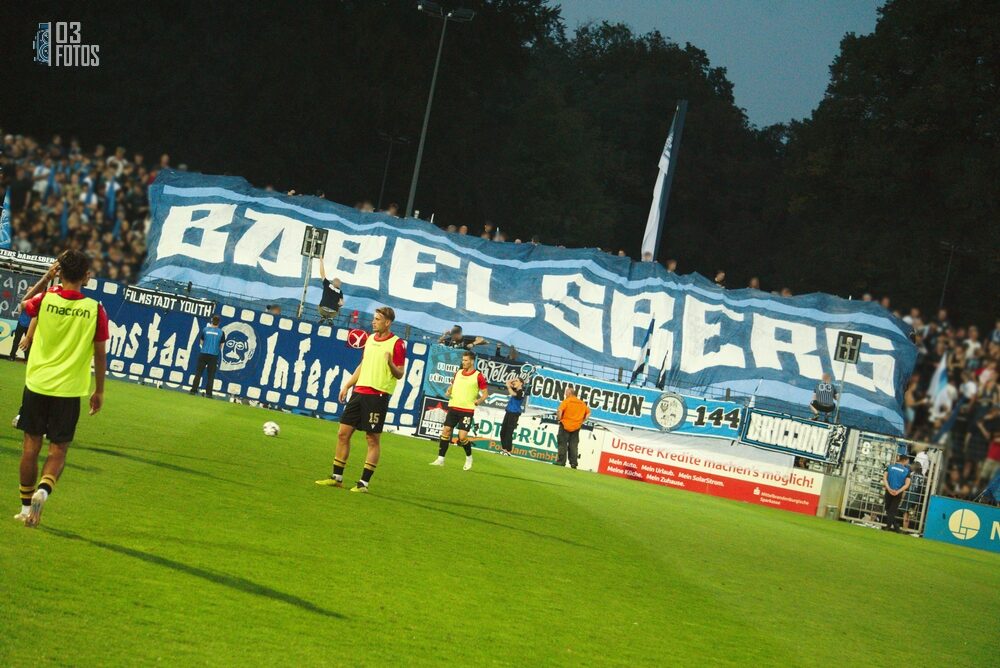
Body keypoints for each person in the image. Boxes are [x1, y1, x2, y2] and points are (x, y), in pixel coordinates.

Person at [14, 251, 108, 527]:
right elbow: (100, 354)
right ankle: (44, 490)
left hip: (38, 384)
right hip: (68, 390)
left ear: (60, 272)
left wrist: (46, 277)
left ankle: (24, 506)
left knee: (31, 447)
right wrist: (99, 390)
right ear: (85, 275)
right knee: (58, 451)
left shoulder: (46, 299)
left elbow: (23, 304)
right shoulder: (95, 309)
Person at [316, 306, 405, 492]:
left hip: (377, 395)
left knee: (372, 439)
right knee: (343, 433)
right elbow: (363, 365)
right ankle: (337, 477)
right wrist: (348, 385)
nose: (373, 322)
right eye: (374, 318)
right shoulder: (370, 339)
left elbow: (399, 373)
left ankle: (363, 483)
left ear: (387, 322)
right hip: (359, 392)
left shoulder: (397, 343)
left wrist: (389, 362)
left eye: (377, 319)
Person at [430, 351, 488, 470]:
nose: (464, 362)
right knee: (446, 430)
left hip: (467, 410)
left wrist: (478, 401)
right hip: (454, 407)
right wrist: (448, 390)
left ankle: (469, 457)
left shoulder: (478, 375)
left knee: (462, 437)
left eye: (466, 360)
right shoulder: (458, 373)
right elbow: (452, 385)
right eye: (463, 360)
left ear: (472, 361)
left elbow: (485, 394)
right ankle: (440, 459)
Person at [190, 315, 226, 398]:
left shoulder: (205, 330)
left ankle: (193, 390)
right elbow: (221, 345)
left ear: (211, 321)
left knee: (198, 373)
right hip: (213, 355)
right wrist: (215, 349)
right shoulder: (221, 332)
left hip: (203, 353)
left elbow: (201, 341)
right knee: (211, 375)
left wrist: (205, 347)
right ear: (219, 322)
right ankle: (208, 394)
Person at [555, 387, 590, 469]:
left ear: (569, 393)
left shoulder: (567, 401)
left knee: (562, 444)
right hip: (576, 427)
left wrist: (559, 419)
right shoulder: (582, 403)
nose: (565, 394)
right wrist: (582, 421)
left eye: (566, 392)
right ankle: (573, 463)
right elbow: (588, 413)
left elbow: (559, 410)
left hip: (565, 425)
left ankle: (561, 462)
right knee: (573, 446)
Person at [882, 453, 911, 532]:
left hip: (889, 490)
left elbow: (884, 478)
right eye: (907, 461)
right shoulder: (906, 471)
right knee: (892, 510)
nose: (907, 463)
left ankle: (890, 526)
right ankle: (894, 527)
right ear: (904, 460)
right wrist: (898, 491)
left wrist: (889, 489)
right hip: (898, 493)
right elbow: (907, 484)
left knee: (888, 509)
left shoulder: (890, 467)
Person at [499, 377, 526, 456]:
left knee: (509, 432)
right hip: (508, 412)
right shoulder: (514, 389)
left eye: (517, 381)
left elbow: (513, 394)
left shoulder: (521, 392)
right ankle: (504, 449)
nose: (514, 382)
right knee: (503, 431)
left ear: (521, 383)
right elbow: (507, 382)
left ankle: (508, 450)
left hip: (514, 414)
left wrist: (509, 386)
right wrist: (513, 380)